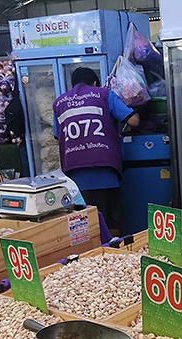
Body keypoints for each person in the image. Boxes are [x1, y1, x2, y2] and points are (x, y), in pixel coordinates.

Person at [53, 67, 139, 232]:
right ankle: (114, 247)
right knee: (111, 222)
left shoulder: (59, 103)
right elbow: (134, 121)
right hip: (105, 172)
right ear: (94, 83)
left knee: (85, 227)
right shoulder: (105, 95)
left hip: (75, 178)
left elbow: (58, 136)